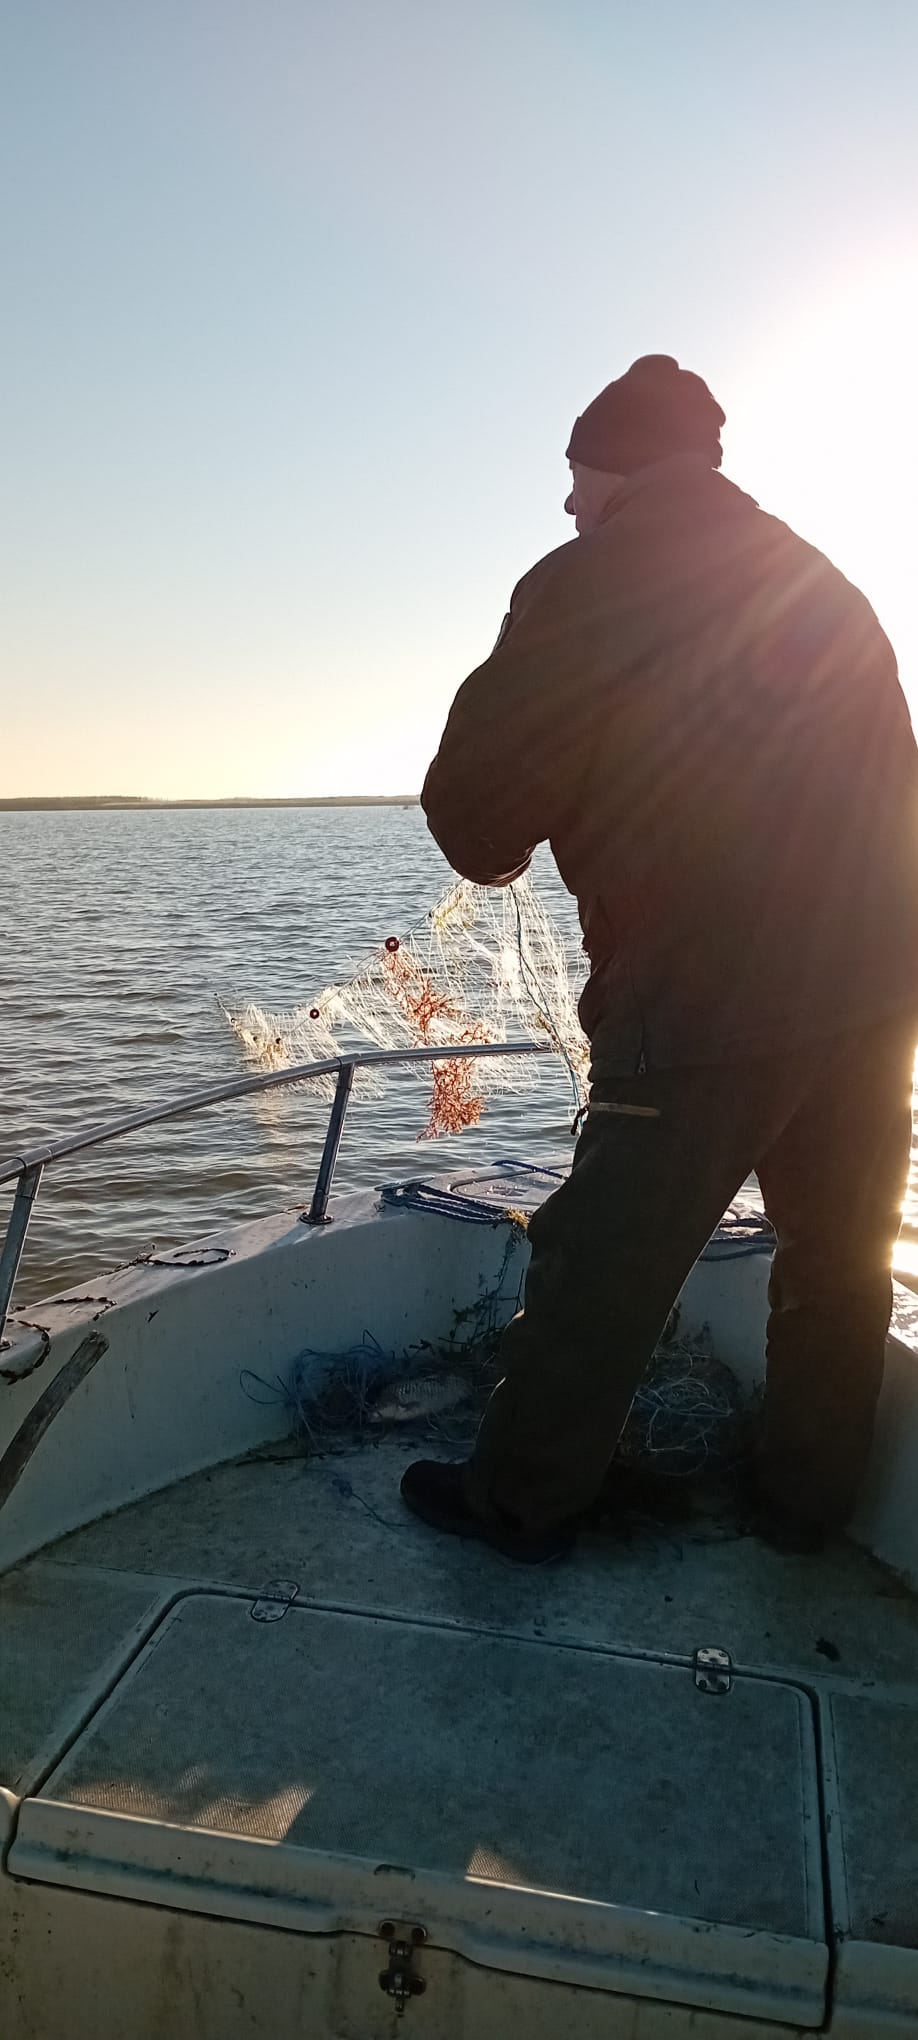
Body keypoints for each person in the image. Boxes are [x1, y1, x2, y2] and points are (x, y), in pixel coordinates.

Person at [401, 353, 918, 1562]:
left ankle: (521, 1500)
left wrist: (508, 833)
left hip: (700, 996)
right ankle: (806, 1506)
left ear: (618, 468)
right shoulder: (824, 583)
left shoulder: (584, 581)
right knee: (840, 1261)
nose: (568, 501)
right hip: (877, 993)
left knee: (602, 1263)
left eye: (577, 474)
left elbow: (477, 812)